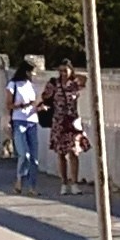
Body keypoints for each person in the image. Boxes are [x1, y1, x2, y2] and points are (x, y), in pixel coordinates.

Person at [46, 55, 88, 191]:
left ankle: (74, 183)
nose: (63, 73)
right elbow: (45, 96)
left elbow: (86, 79)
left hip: (72, 121)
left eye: (66, 70)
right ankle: (64, 183)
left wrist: (74, 76)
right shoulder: (54, 83)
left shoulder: (74, 84)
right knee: (61, 153)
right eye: (61, 71)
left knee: (74, 152)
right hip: (59, 121)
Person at [7, 58, 43, 190]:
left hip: (32, 120)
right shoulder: (13, 85)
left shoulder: (31, 86)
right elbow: (9, 104)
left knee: (34, 157)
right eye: (32, 72)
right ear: (27, 71)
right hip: (19, 120)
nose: (34, 75)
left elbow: (35, 104)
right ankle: (19, 179)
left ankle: (32, 186)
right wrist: (24, 105)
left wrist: (39, 108)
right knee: (24, 154)